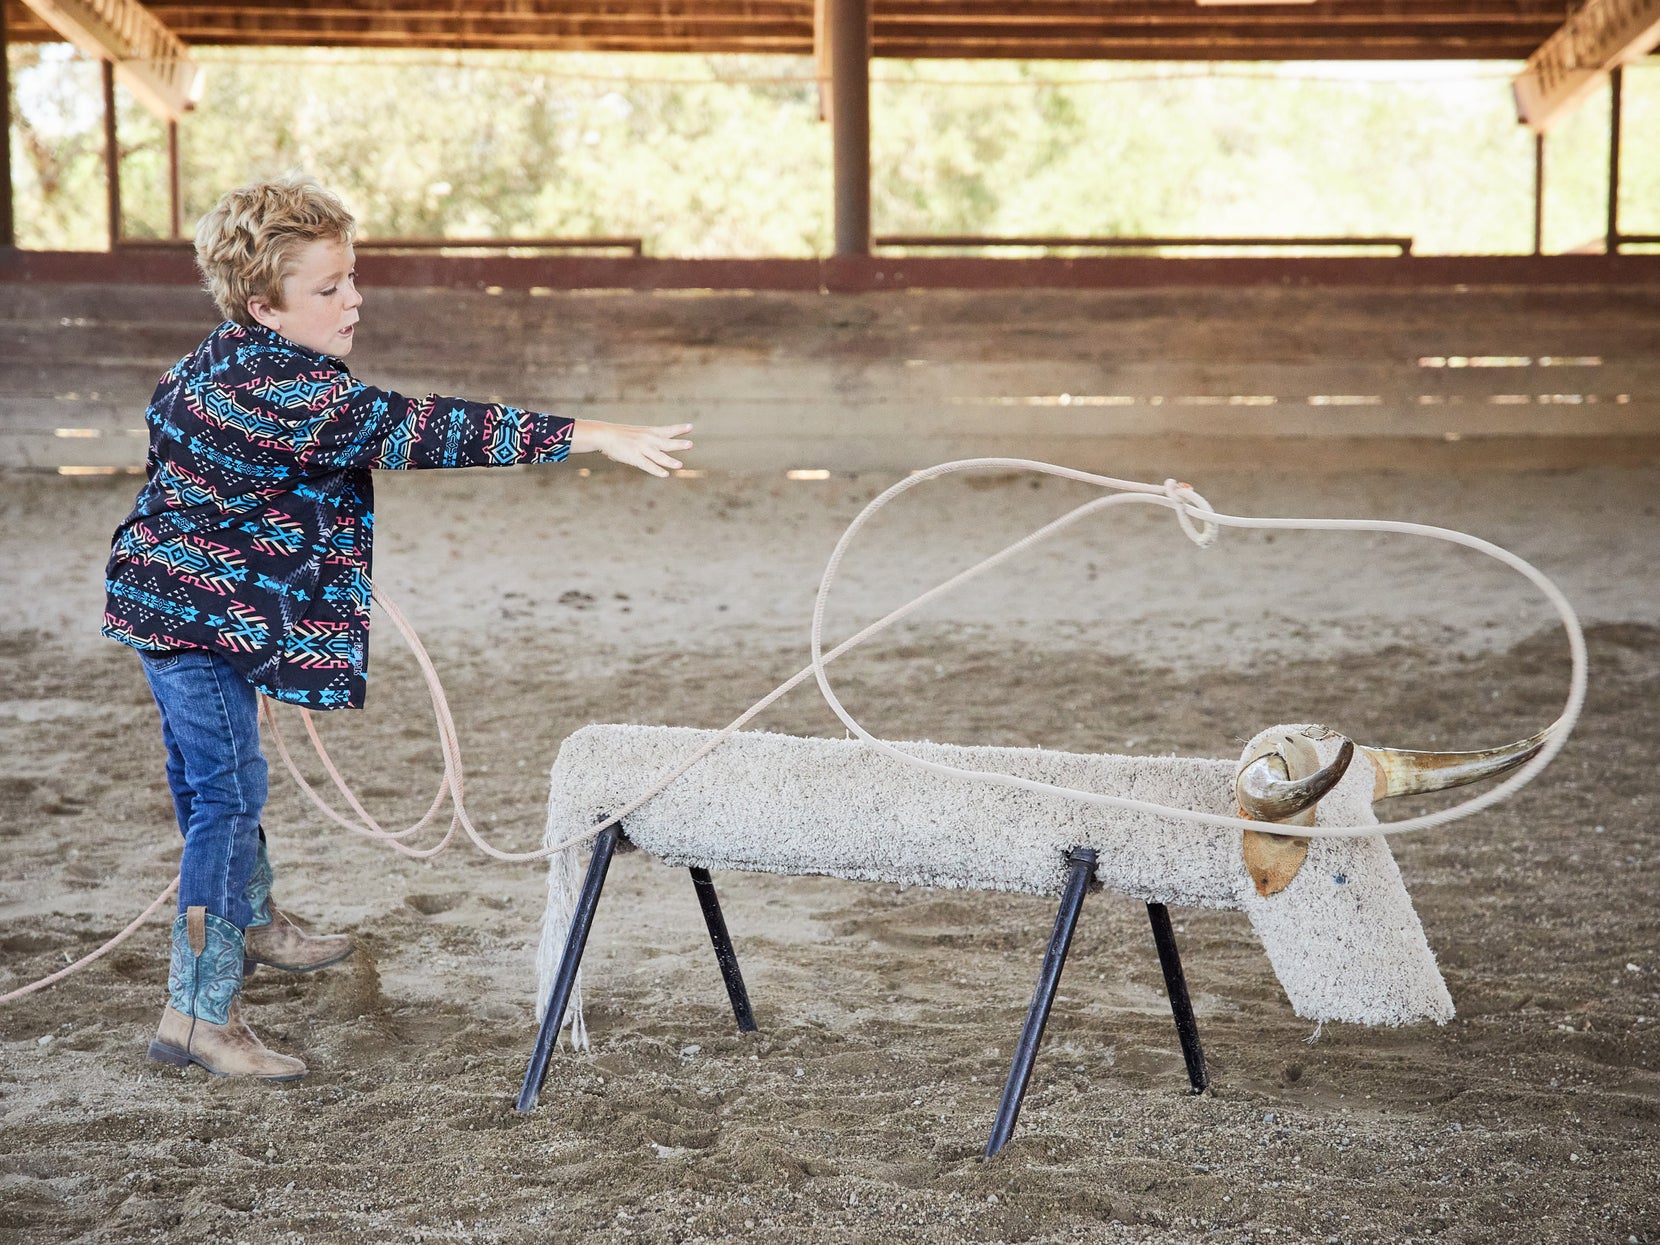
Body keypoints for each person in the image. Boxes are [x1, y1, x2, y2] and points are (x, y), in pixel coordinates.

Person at [102, 175, 692, 1081]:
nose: (354, 299)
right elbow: (428, 428)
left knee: (215, 778)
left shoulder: (211, 361)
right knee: (223, 795)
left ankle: (252, 922)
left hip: (173, 605)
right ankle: (196, 1012)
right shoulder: (296, 397)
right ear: (265, 304)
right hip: (196, 618)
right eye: (328, 288)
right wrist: (594, 433)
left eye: (351, 278)